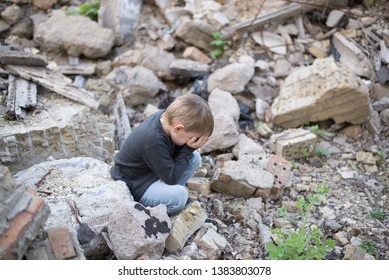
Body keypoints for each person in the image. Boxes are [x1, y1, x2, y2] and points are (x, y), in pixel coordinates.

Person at [110, 94, 214, 215]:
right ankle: (150, 214)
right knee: (180, 196)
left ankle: (166, 192)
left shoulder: (166, 118)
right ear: (178, 129)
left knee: (194, 158)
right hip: (135, 185)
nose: (193, 142)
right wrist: (187, 149)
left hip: (151, 173)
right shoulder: (153, 140)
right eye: (192, 138)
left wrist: (189, 149)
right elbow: (171, 178)